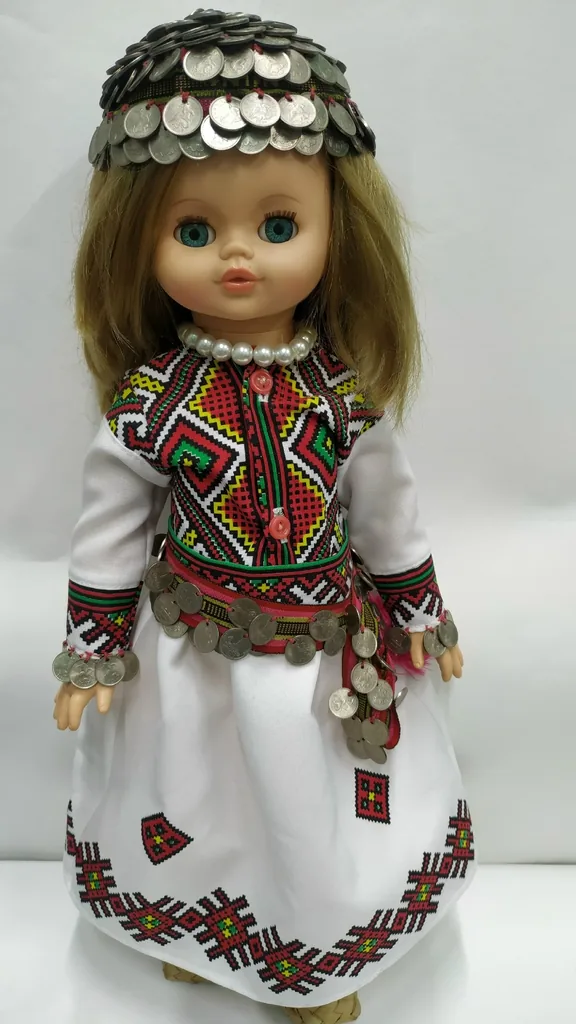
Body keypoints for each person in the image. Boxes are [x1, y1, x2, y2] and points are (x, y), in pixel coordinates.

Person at [52, 10, 474, 1023]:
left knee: (309, 803)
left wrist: (420, 609)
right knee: (194, 794)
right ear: (136, 241)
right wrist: (92, 650)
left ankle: (318, 954)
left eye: (278, 227)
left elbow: (388, 509)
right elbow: (107, 528)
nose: (237, 256)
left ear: (338, 229)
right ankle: (194, 929)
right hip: (194, 652)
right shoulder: (153, 403)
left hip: (326, 651)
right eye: (194, 232)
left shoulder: (342, 395)